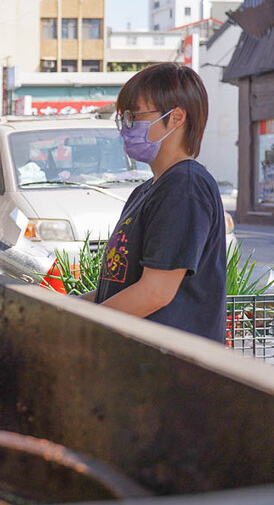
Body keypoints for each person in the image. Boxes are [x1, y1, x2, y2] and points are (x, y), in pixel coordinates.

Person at [82, 63, 226, 342]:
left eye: (134, 116)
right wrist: (67, 307)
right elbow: (122, 286)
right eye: (122, 118)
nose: (126, 126)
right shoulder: (148, 190)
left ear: (177, 118)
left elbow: (155, 291)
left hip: (171, 370)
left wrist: (81, 327)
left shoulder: (185, 186)